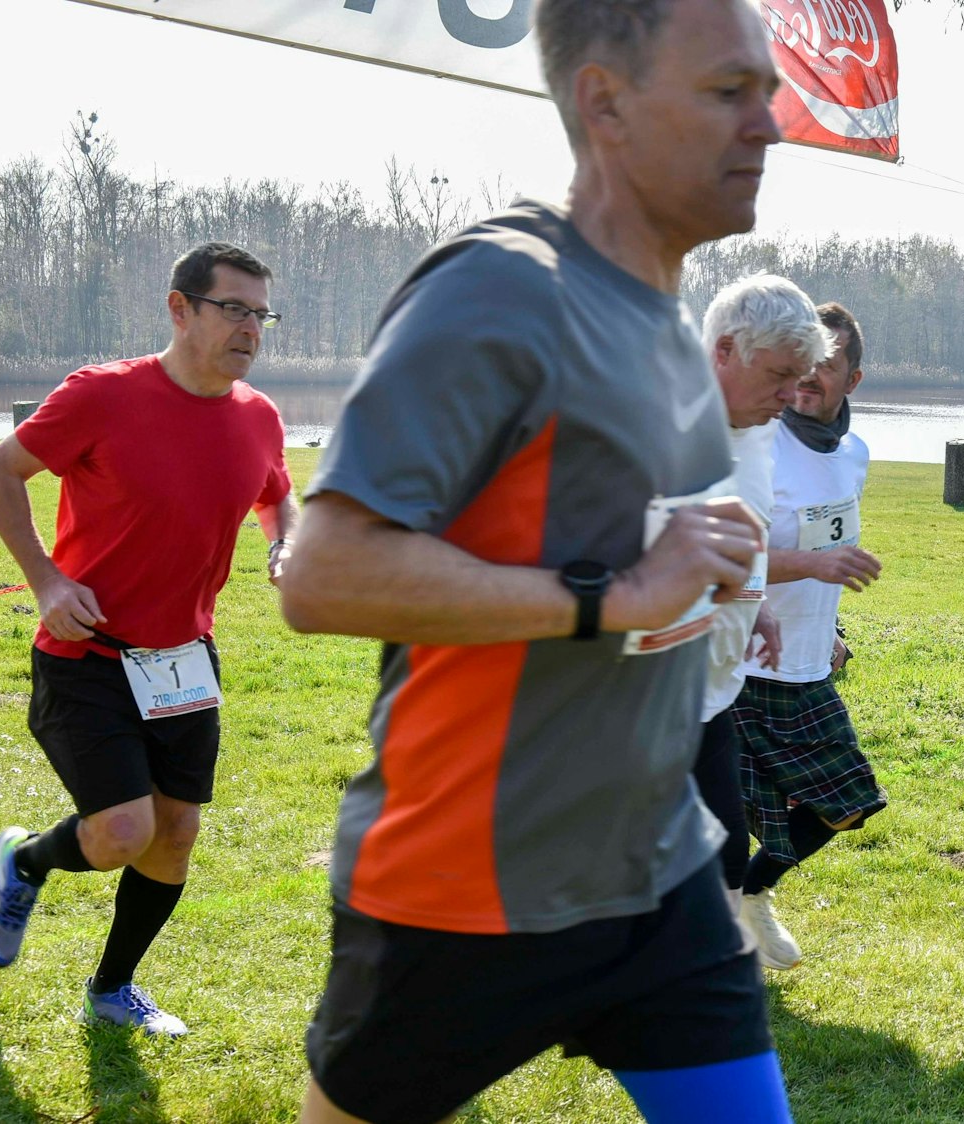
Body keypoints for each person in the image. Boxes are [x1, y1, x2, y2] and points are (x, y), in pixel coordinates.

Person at [275, 2, 795, 1121]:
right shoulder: (500, 288)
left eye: (768, 89)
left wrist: (712, 584)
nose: (770, 124)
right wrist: (615, 597)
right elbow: (322, 574)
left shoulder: (667, 317)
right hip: (464, 888)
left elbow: (629, 539)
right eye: (727, 92)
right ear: (604, 100)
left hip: (656, 872)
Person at [0, 241, 295, 1037]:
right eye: (233, 308)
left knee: (175, 837)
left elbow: (277, 500)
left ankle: (112, 990)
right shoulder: (102, 395)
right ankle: (24, 863)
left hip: (184, 661)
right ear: (180, 309)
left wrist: (284, 542)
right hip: (88, 657)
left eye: (261, 313)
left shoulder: (260, 416)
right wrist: (46, 579)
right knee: (122, 832)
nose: (250, 327)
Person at [730, 301, 887, 970]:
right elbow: (730, 554)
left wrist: (833, 626)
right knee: (722, 814)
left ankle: (750, 894)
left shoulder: (853, 455)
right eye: (805, 362)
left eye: (828, 365)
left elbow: (832, 545)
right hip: (743, 661)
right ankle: (707, 938)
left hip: (807, 664)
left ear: (852, 379)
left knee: (850, 801)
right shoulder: (760, 442)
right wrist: (816, 565)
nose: (810, 378)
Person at [693, 274, 833, 916]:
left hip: (710, 691)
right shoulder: (658, 425)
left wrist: (755, 604)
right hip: (635, 705)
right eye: (780, 374)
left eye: (801, 375)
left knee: (722, 866)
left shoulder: (753, 425)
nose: (793, 393)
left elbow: (737, 534)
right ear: (724, 350)